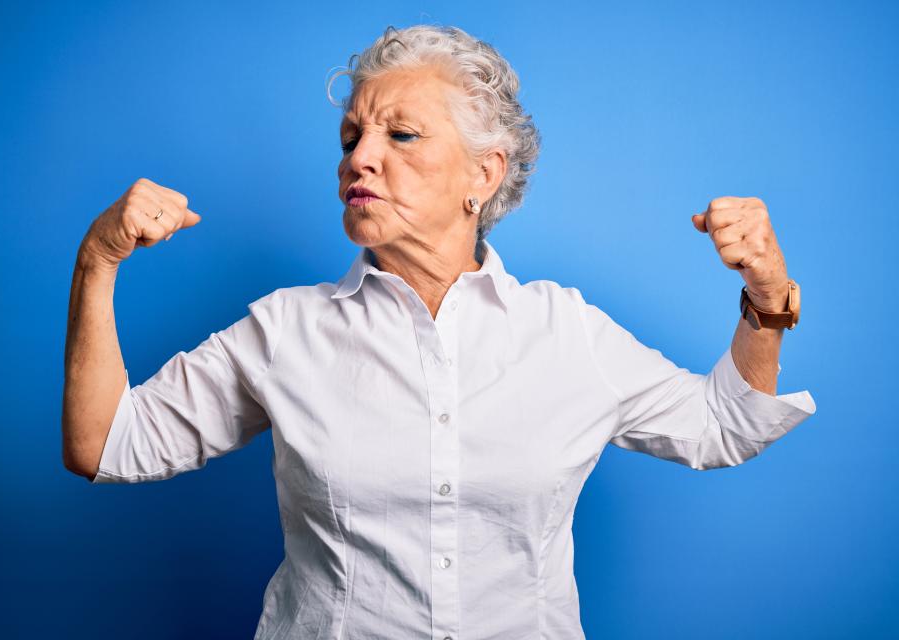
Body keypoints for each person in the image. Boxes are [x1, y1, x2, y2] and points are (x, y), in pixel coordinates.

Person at [62, 24, 816, 640]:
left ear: (483, 177)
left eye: (402, 135)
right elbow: (104, 444)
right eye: (352, 136)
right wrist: (98, 261)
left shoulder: (566, 332)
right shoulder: (285, 331)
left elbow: (725, 427)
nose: (360, 156)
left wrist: (765, 295)